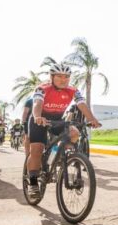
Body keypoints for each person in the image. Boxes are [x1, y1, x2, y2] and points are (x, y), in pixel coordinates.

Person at [27, 63, 101, 198]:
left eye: (66, 77)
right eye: (59, 76)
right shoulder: (42, 88)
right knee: (36, 149)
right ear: (52, 77)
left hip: (57, 119)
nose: (63, 79)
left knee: (74, 133)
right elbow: (37, 104)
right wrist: (38, 116)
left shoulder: (73, 90)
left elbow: (82, 104)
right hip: (39, 120)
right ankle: (32, 183)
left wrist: (92, 119)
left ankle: (60, 156)